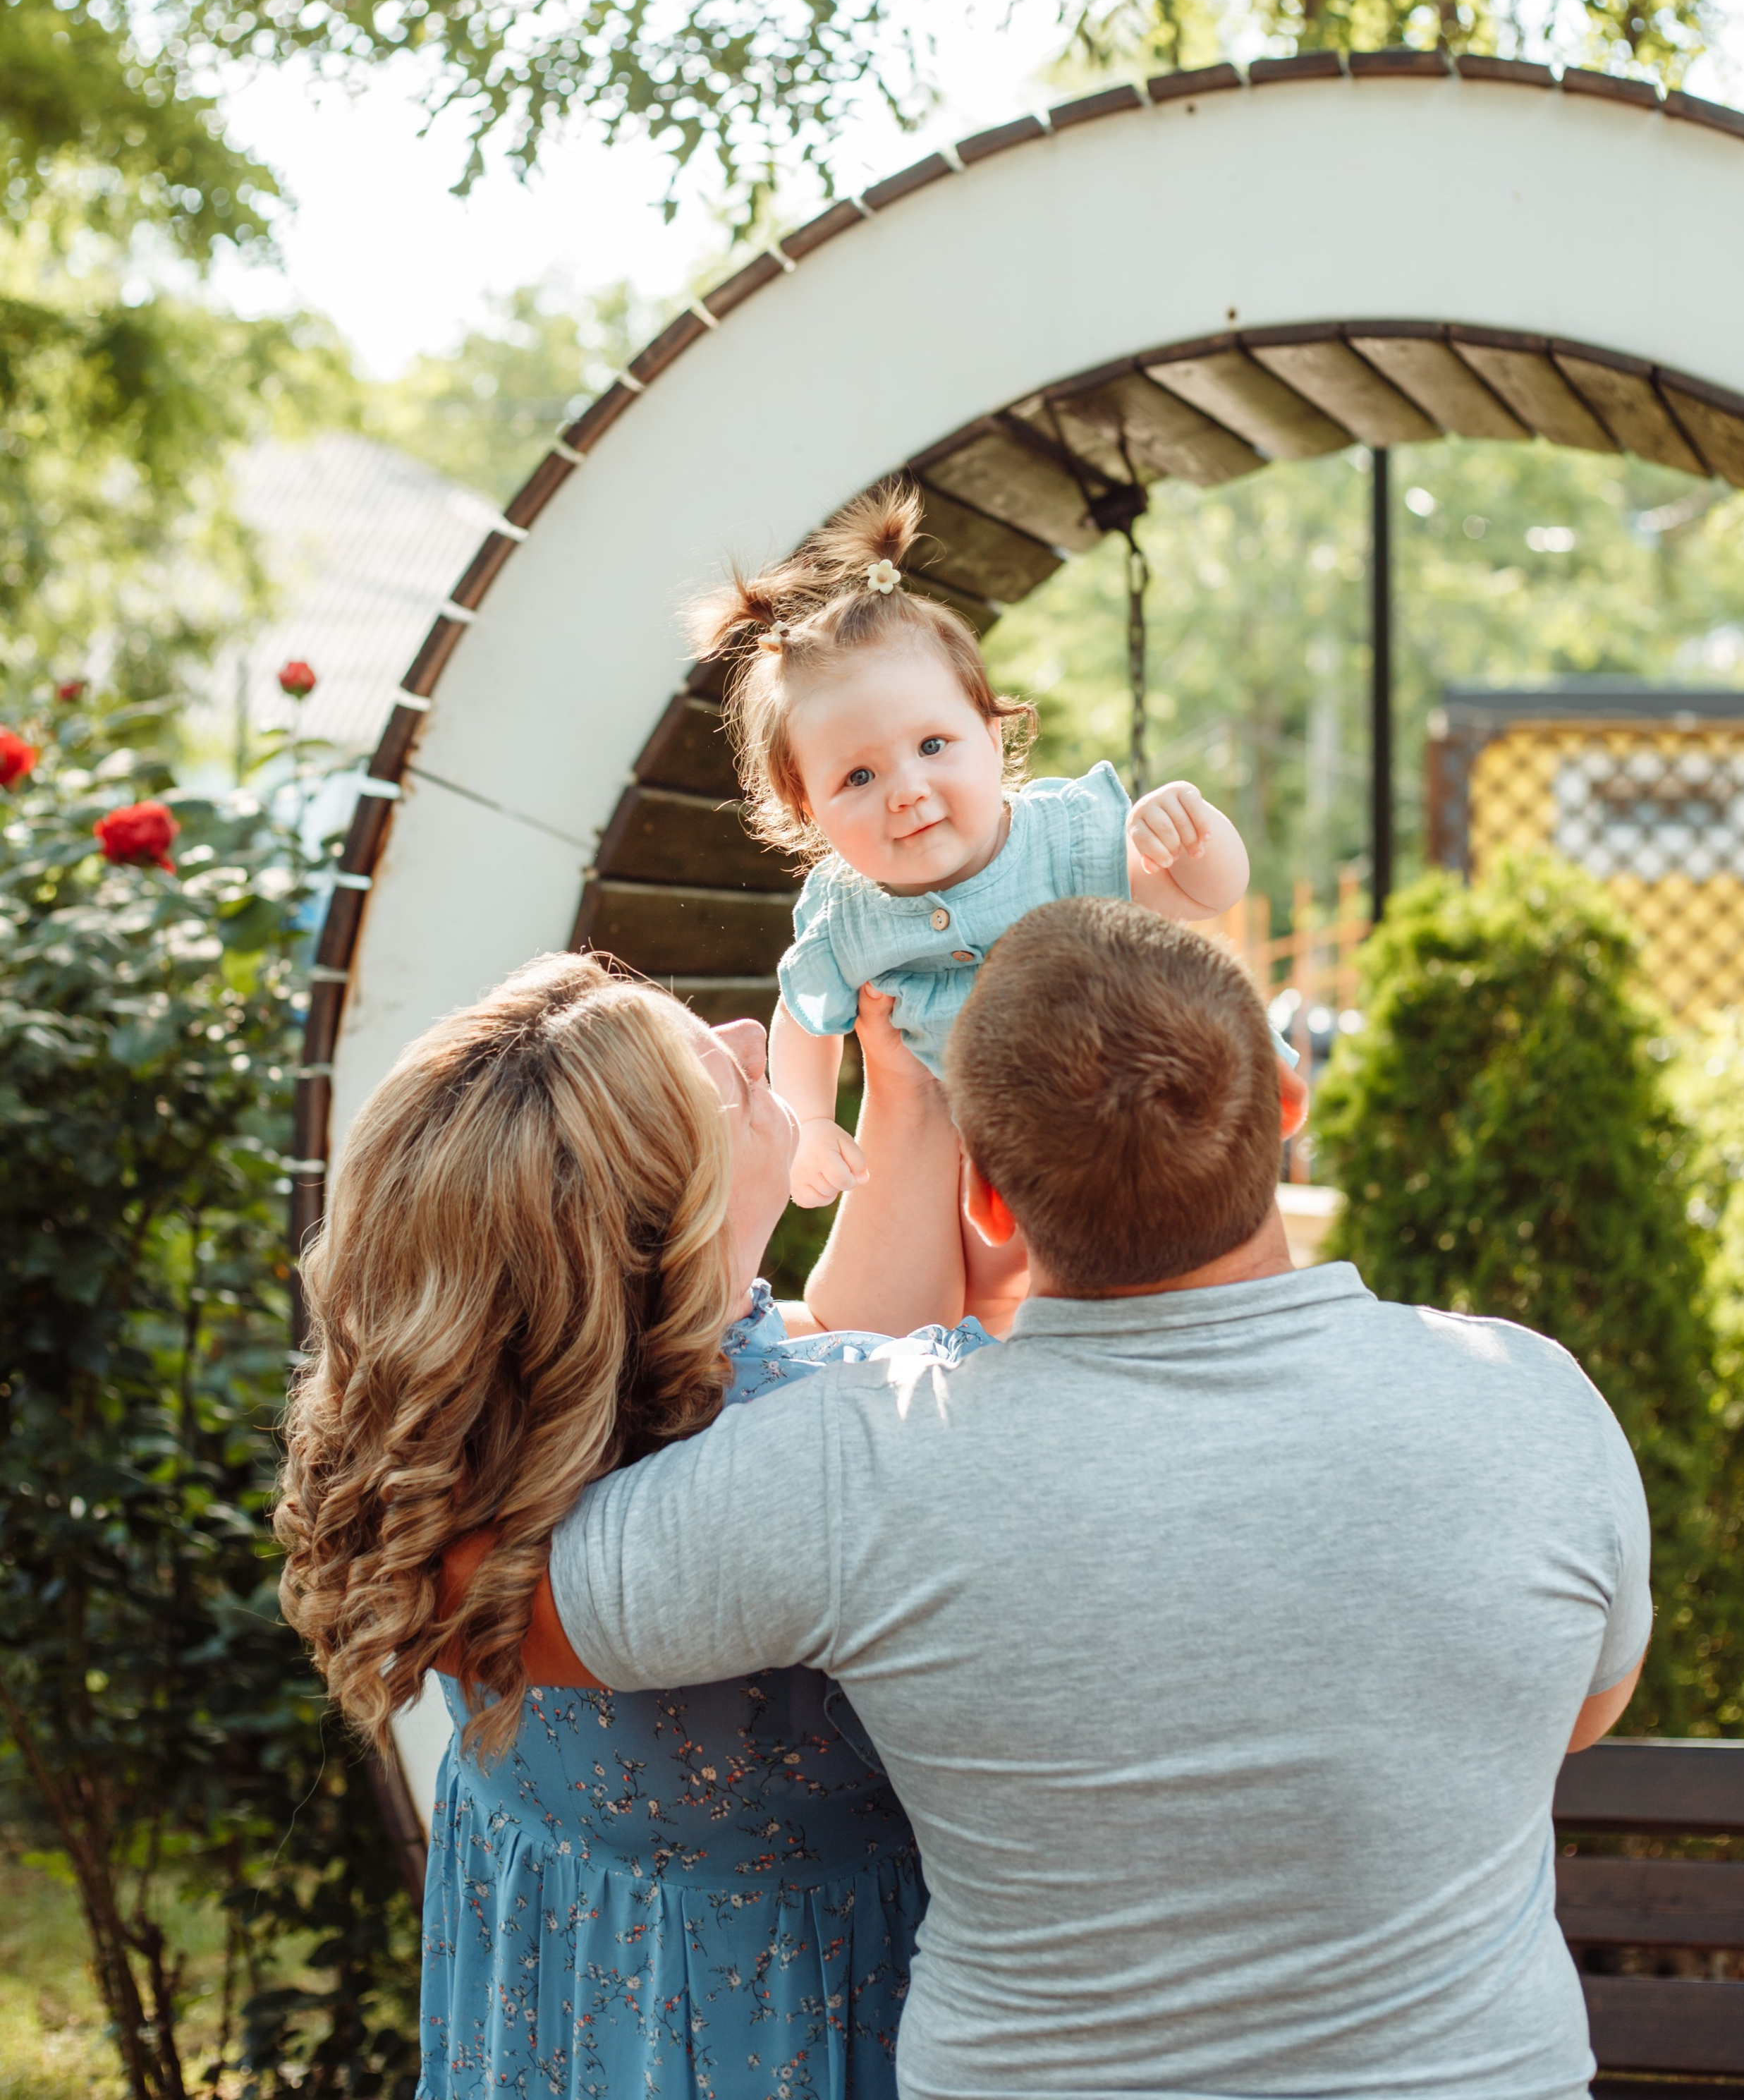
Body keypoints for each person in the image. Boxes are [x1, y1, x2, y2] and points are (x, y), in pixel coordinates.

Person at [549, 899, 1653, 2100]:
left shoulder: (867, 1458)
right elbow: (1582, 1716)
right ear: (1286, 1109)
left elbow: (484, 1611)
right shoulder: (1531, 1401)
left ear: (984, 1196)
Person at [274, 952, 987, 2100]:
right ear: (670, 1226)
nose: (757, 1037)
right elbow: (856, 1377)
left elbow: (830, 1338)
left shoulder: (461, 1442)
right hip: (815, 2017)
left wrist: (905, 1100)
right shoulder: (854, 1439)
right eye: (728, 1080)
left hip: (561, 1995)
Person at [688, 483, 1252, 1234]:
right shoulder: (844, 915)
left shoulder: (1067, 841)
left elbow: (1201, 895)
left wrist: (1194, 833)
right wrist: (812, 1123)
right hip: (985, 1151)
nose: (906, 791)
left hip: (1138, 1129)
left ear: (992, 737)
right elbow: (803, 1017)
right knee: (987, 1265)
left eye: (931, 746)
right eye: (858, 777)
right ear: (808, 811)